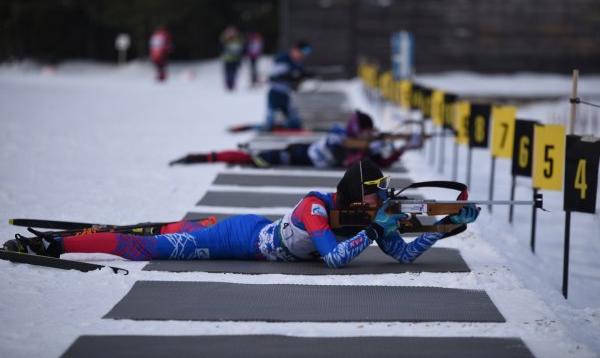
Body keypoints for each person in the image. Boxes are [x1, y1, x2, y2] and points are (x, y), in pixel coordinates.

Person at [2, 160, 479, 267]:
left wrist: (442, 230)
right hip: (239, 237)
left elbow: (403, 254)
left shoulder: (360, 218)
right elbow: (334, 259)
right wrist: (373, 228)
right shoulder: (317, 208)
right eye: (376, 196)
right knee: (145, 244)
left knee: (165, 229)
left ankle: (88, 234)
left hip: (251, 227)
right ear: (356, 194)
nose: (382, 204)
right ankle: (54, 244)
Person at [169, 110, 423, 168]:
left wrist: (403, 148)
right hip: (297, 153)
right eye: (367, 131)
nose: (370, 135)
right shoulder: (341, 135)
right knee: (252, 159)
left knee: (253, 159)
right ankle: (203, 157)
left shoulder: (361, 142)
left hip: (302, 155)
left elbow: (382, 163)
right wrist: (373, 144)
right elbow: (347, 147)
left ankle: (210, 156)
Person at [264, 40, 313, 130]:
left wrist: (302, 77)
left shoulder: (297, 63)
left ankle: (283, 125)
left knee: (296, 123)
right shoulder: (283, 60)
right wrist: (291, 76)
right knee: (269, 124)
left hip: (285, 96)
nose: (301, 56)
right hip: (275, 94)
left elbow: (296, 82)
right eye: (300, 53)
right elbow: (273, 77)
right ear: (295, 50)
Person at [220, 26, 245, 90]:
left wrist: (239, 57)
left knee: (234, 72)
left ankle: (232, 84)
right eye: (230, 33)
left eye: (233, 33)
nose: (232, 34)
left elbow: (240, 50)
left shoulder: (238, 40)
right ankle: (228, 84)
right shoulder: (224, 40)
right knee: (228, 72)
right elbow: (221, 48)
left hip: (235, 59)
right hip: (227, 59)